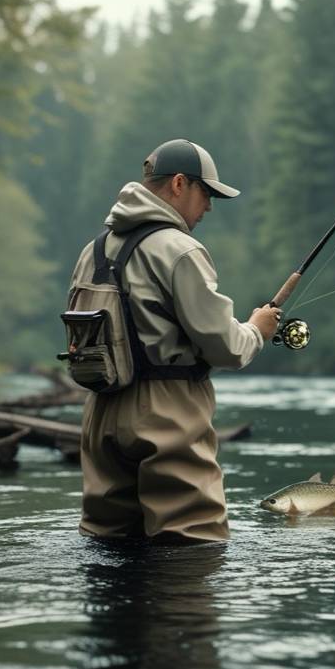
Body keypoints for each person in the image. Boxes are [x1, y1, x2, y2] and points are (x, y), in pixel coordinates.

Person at [67, 138, 281, 543]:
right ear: (180, 183)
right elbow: (226, 347)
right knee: (191, 541)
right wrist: (258, 329)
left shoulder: (92, 251)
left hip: (100, 412)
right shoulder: (180, 250)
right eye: (207, 193)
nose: (209, 207)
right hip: (167, 411)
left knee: (108, 543)